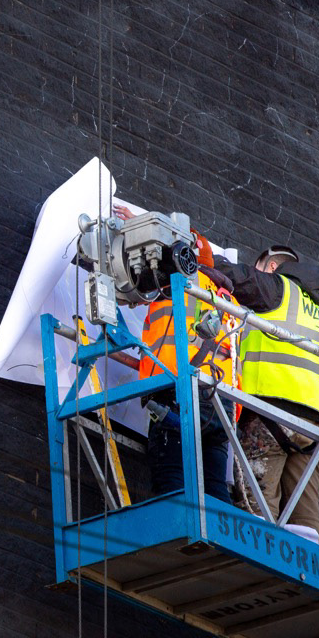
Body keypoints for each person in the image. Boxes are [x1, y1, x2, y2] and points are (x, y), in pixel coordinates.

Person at [204, 246, 319, 539]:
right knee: (306, 524)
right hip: (314, 428)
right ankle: (308, 573)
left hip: (272, 414)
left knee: (256, 512)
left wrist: (194, 252)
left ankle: (252, 566)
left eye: (260, 268)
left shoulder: (279, 291)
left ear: (274, 267)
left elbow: (234, 277)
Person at [114, 206, 236, 502]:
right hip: (222, 404)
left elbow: (155, 259)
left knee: (172, 478)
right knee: (215, 489)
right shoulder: (227, 300)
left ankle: (179, 535)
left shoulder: (177, 282)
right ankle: (217, 542)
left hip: (179, 393)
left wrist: (138, 228)